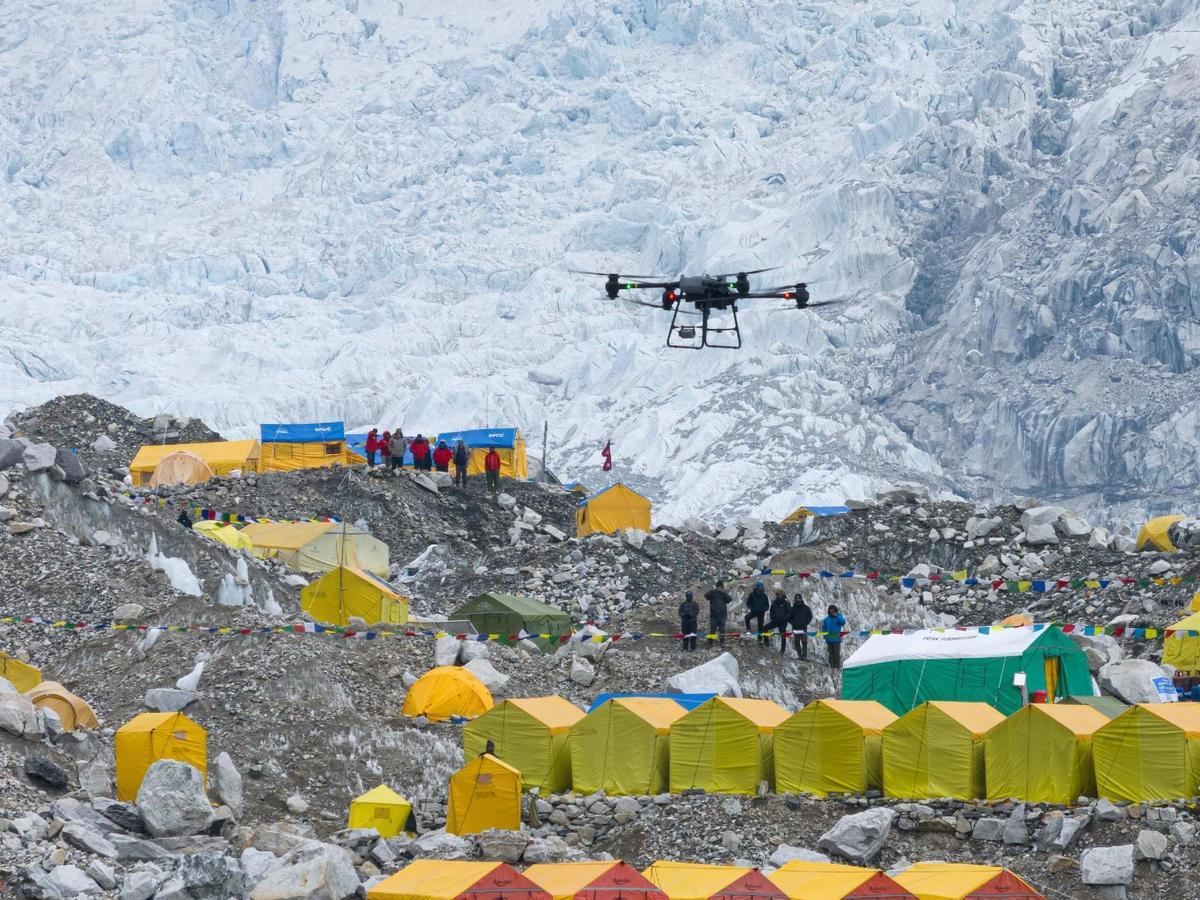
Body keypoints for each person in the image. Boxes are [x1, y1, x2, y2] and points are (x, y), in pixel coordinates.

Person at [704, 579, 733, 646]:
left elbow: (729, 600)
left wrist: (723, 592)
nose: (719, 588)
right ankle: (710, 642)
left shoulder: (723, 593)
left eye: (720, 587)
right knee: (712, 630)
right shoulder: (712, 593)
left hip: (722, 616)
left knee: (722, 630)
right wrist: (713, 590)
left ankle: (722, 642)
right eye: (718, 587)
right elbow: (706, 596)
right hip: (714, 616)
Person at [744, 581, 770, 645]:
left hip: (761, 612)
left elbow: (767, 605)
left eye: (761, 589)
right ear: (756, 588)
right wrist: (752, 608)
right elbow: (748, 602)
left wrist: (764, 609)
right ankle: (748, 629)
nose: (760, 590)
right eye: (759, 589)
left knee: (760, 626)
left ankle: (760, 638)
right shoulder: (752, 594)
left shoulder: (764, 596)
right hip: (754, 611)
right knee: (747, 617)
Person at [767, 587, 792, 654]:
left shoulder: (786, 603)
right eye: (777, 594)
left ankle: (782, 650)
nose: (778, 595)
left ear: (782, 595)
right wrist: (772, 618)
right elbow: (771, 611)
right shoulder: (774, 602)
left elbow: (789, 613)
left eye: (780, 594)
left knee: (783, 635)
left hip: (783, 622)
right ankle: (766, 643)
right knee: (764, 629)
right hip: (775, 621)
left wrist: (784, 619)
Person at [822, 604, 847, 669]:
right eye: (831, 612)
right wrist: (825, 637)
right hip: (829, 640)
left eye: (833, 611)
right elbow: (823, 629)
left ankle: (837, 666)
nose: (832, 613)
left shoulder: (839, 616)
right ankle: (832, 666)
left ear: (835, 611)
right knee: (830, 653)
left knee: (836, 653)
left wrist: (836, 616)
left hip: (837, 639)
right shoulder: (826, 619)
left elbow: (843, 622)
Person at [790, 592, 813, 659]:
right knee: (797, 642)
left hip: (803, 628)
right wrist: (792, 623)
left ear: (801, 599)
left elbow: (810, 616)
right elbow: (789, 617)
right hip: (795, 628)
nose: (797, 600)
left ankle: (804, 656)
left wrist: (806, 622)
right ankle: (799, 656)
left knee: (804, 642)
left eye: (799, 598)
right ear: (794, 600)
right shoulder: (792, 608)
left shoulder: (806, 608)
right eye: (796, 599)